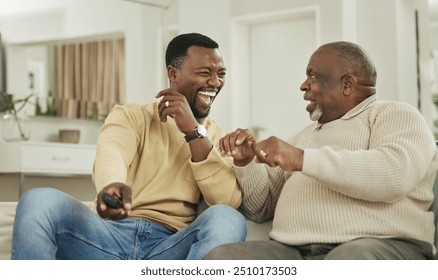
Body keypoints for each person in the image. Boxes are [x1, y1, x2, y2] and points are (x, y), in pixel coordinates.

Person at [11, 32, 246, 260]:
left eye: (221, 74)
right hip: (105, 238)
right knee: (38, 200)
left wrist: (193, 133)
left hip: (169, 249)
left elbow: (228, 201)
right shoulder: (131, 115)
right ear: (173, 73)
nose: (215, 82)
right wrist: (112, 187)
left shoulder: (218, 138)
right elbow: (112, 151)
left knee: (227, 218)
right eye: (205, 73)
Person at [204, 41, 438, 260]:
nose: (303, 85)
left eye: (312, 76)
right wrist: (247, 163)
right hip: (293, 251)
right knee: (222, 258)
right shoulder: (304, 136)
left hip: (381, 244)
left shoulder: (395, 115)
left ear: (347, 84)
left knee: (347, 261)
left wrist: (300, 158)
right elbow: (261, 209)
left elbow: (394, 175)